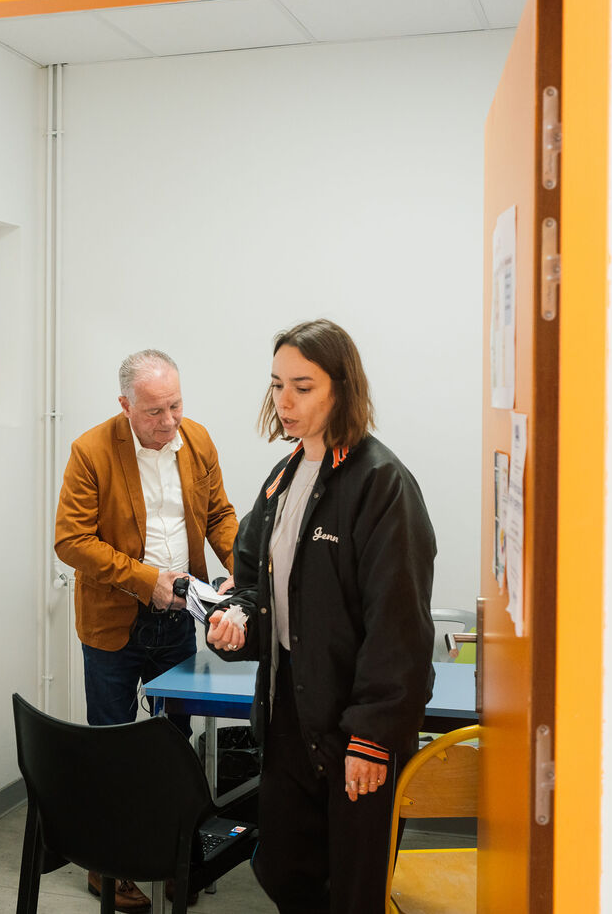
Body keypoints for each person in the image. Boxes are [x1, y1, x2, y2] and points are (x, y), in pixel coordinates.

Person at [203, 320, 436, 914]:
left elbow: (399, 628)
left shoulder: (381, 484)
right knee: (286, 873)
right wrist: (235, 620)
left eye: (303, 387)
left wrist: (373, 740)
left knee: (353, 892)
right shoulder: (282, 479)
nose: (285, 401)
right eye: (277, 385)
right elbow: (253, 586)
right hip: (287, 716)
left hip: (353, 725)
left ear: (342, 388)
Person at [53, 349, 238, 912]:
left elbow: (220, 516)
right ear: (125, 405)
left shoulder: (197, 440)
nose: (169, 420)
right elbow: (71, 541)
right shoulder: (91, 451)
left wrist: (244, 573)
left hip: (181, 618)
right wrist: (145, 580)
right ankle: (108, 866)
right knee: (112, 747)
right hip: (113, 622)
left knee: (173, 747)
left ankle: (171, 857)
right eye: (155, 411)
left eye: (175, 405)